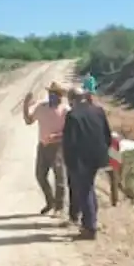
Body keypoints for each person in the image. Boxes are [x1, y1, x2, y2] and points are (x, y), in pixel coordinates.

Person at [61, 85, 112, 240]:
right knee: (89, 187)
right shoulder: (98, 111)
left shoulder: (72, 115)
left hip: (81, 159)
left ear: (71, 100)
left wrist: (69, 162)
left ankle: (90, 227)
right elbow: (107, 136)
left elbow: (69, 142)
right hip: (98, 156)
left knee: (84, 191)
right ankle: (91, 221)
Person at [23, 82, 69, 215]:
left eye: (56, 94)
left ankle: (59, 207)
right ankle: (50, 201)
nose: (53, 96)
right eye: (51, 93)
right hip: (43, 145)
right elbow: (28, 120)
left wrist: (57, 136)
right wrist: (26, 105)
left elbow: (70, 131)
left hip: (58, 146)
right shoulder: (42, 108)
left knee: (59, 177)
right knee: (40, 175)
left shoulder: (65, 110)